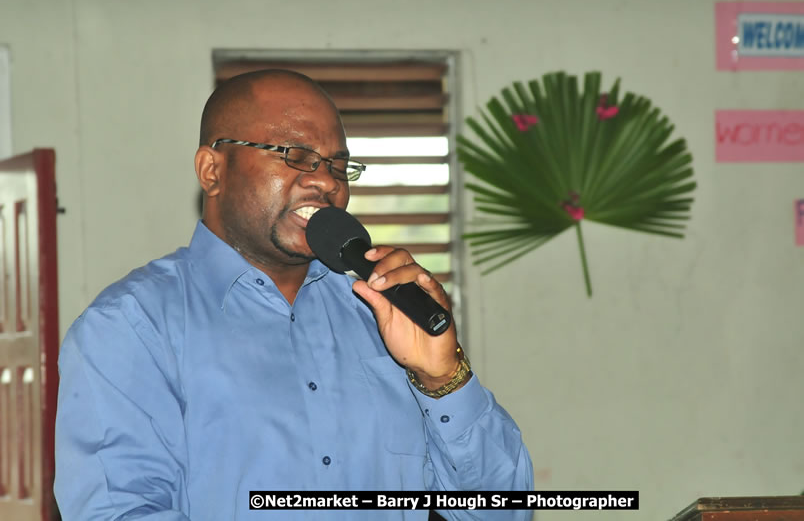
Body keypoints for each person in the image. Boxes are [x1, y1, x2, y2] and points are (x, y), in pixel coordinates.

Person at [54, 70, 534, 520]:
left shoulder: (383, 315)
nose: (325, 181)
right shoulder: (132, 326)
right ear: (211, 170)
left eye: (339, 166)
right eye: (295, 156)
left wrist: (443, 377)